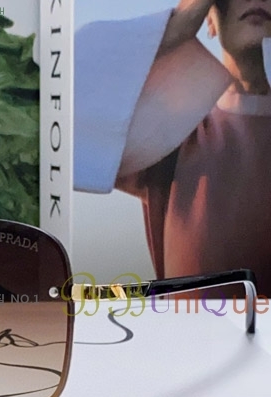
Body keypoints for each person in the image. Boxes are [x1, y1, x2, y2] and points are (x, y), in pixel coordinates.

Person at [75, 0, 271, 296]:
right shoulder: (172, 131)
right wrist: (173, 28)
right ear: (209, 20)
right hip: (193, 326)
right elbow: (52, 113)